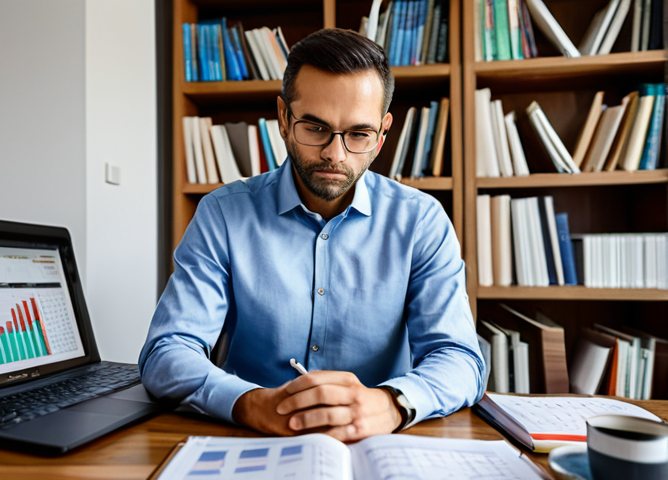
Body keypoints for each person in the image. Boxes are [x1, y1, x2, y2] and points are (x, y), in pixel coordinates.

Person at [139, 28, 486, 442]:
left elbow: (460, 358)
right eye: (316, 128)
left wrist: (393, 403)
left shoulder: (422, 221)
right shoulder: (224, 214)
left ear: (382, 134)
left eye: (358, 134)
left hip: (380, 445)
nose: (334, 155)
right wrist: (247, 402)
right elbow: (166, 352)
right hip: (251, 440)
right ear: (284, 119)